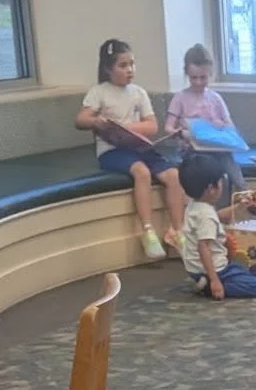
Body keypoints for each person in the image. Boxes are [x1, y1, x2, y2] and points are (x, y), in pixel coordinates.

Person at [76, 38, 185, 262]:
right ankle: (148, 231)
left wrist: (127, 127)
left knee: (173, 175)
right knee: (142, 172)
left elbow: (152, 126)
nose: (130, 70)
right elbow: (81, 119)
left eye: (132, 64)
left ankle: (178, 230)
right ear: (108, 68)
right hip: (112, 151)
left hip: (138, 147)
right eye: (123, 65)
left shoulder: (138, 93)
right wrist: (97, 122)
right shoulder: (99, 92)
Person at [165, 42, 245, 203]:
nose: (199, 82)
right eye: (194, 78)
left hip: (216, 148)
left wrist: (221, 125)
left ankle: (244, 192)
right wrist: (179, 133)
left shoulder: (215, 98)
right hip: (193, 150)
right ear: (186, 73)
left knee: (228, 163)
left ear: (210, 74)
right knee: (208, 170)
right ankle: (210, 209)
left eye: (203, 77)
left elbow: (230, 127)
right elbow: (168, 127)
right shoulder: (180, 97)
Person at [179, 153, 256, 301]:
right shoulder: (206, 215)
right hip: (215, 269)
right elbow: (203, 247)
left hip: (196, 268)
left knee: (246, 270)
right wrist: (215, 281)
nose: (222, 184)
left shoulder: (195, 206)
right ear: (212, 188)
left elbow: (218, 217)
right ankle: (208, 286)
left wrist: (239, 206)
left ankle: (203, 280)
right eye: (220, 181)